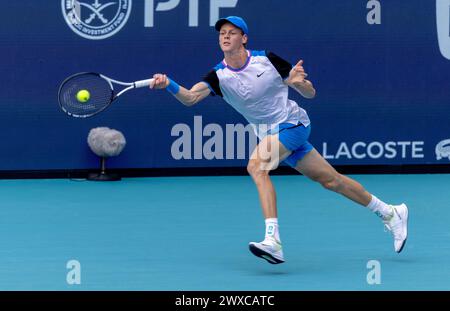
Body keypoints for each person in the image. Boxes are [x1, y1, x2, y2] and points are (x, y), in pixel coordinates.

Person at [150, 16, 408, 264]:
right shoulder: (218, 76)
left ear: (244, 38)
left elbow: (310, 93)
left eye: (232, 33)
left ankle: (273, 241)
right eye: (222, 34)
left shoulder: (267, 60)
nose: (226, 37)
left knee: (256, 166)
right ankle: (390, 212)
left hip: (293, 124)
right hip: (271, 135)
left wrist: (298, 83)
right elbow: (190, 98)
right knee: (332, 181)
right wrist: (169, 84)